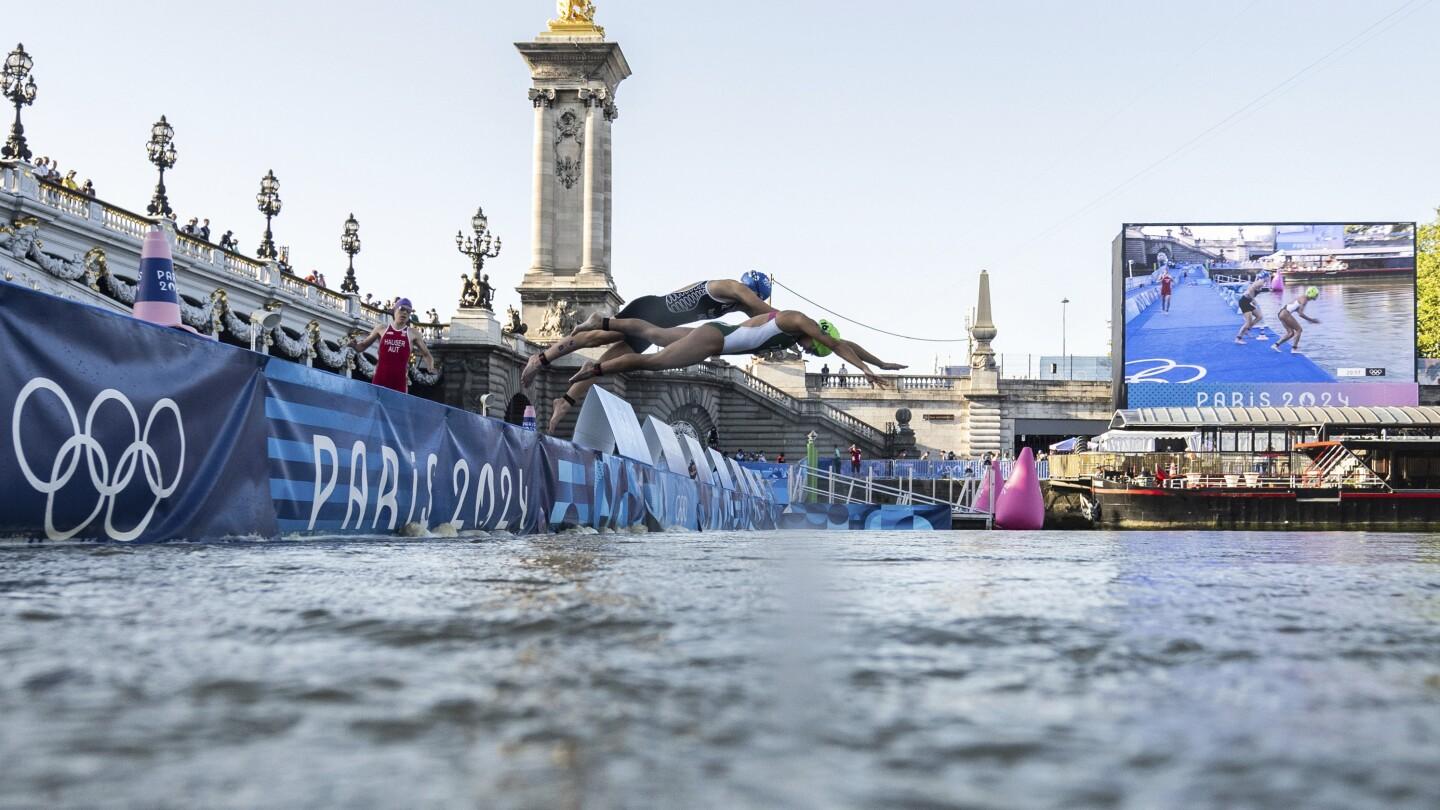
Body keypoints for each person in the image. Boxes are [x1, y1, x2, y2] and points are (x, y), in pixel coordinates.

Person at [522, 272, 778, 432]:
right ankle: (541, 358)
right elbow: (764, 312)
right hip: (648, 311)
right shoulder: (732, 287)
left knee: (605, 364)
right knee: (597, 336)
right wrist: (794, 324)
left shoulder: (733, 305)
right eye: (757, 296)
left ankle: (564, 401)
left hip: (655, 326)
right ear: (753, 290)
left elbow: (756, 321)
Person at [564, 310, 899, 388]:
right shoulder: (796, 320)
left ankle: (601, 321)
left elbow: (845, 343)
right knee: (654, 362)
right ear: (817, 333)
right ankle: (591, 371)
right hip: (715, 341)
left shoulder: (795, 330)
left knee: (656, 333)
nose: (809, 352)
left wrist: (879, 362)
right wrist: (866, 371)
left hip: (718, 334)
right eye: (815, 348)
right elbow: (838, 344)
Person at [348, 297, 437, 394]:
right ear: (395, 310)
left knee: (396, 409)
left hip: (399, 383)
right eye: (402, 309)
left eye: (408, 311)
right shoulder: (382, 329)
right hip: (380, 380)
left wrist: (430, 366)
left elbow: (426, 354)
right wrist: (354, 346)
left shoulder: (412, 333)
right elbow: (362, 346)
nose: (405, 313)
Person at [1271, 287, 1321, 355]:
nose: (1317, 296)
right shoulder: (1304, 300)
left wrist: (1309, 320)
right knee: (1299, 330)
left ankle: (1276, 345)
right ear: (1312, 294)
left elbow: (1296, 309)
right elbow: (1300, 314)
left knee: (1291, 333)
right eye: (1316, 295)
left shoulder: (1302, 298)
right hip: (1285, 313)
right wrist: (1312, 320)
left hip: (1281, 313)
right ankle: (1294, 349)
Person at [1233, 271, 1271, 344]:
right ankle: (1238, 338)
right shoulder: (1260, 282)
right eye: (1268, 277)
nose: (1269, 278)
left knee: (1259, 316)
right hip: (1244, 302)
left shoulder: (1261, 282)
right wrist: (1253, 300)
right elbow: (1250, 290)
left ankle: (1248, 329)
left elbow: (1251, 288)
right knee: (1248, 322)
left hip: (1247, 302)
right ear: (1265, 277)